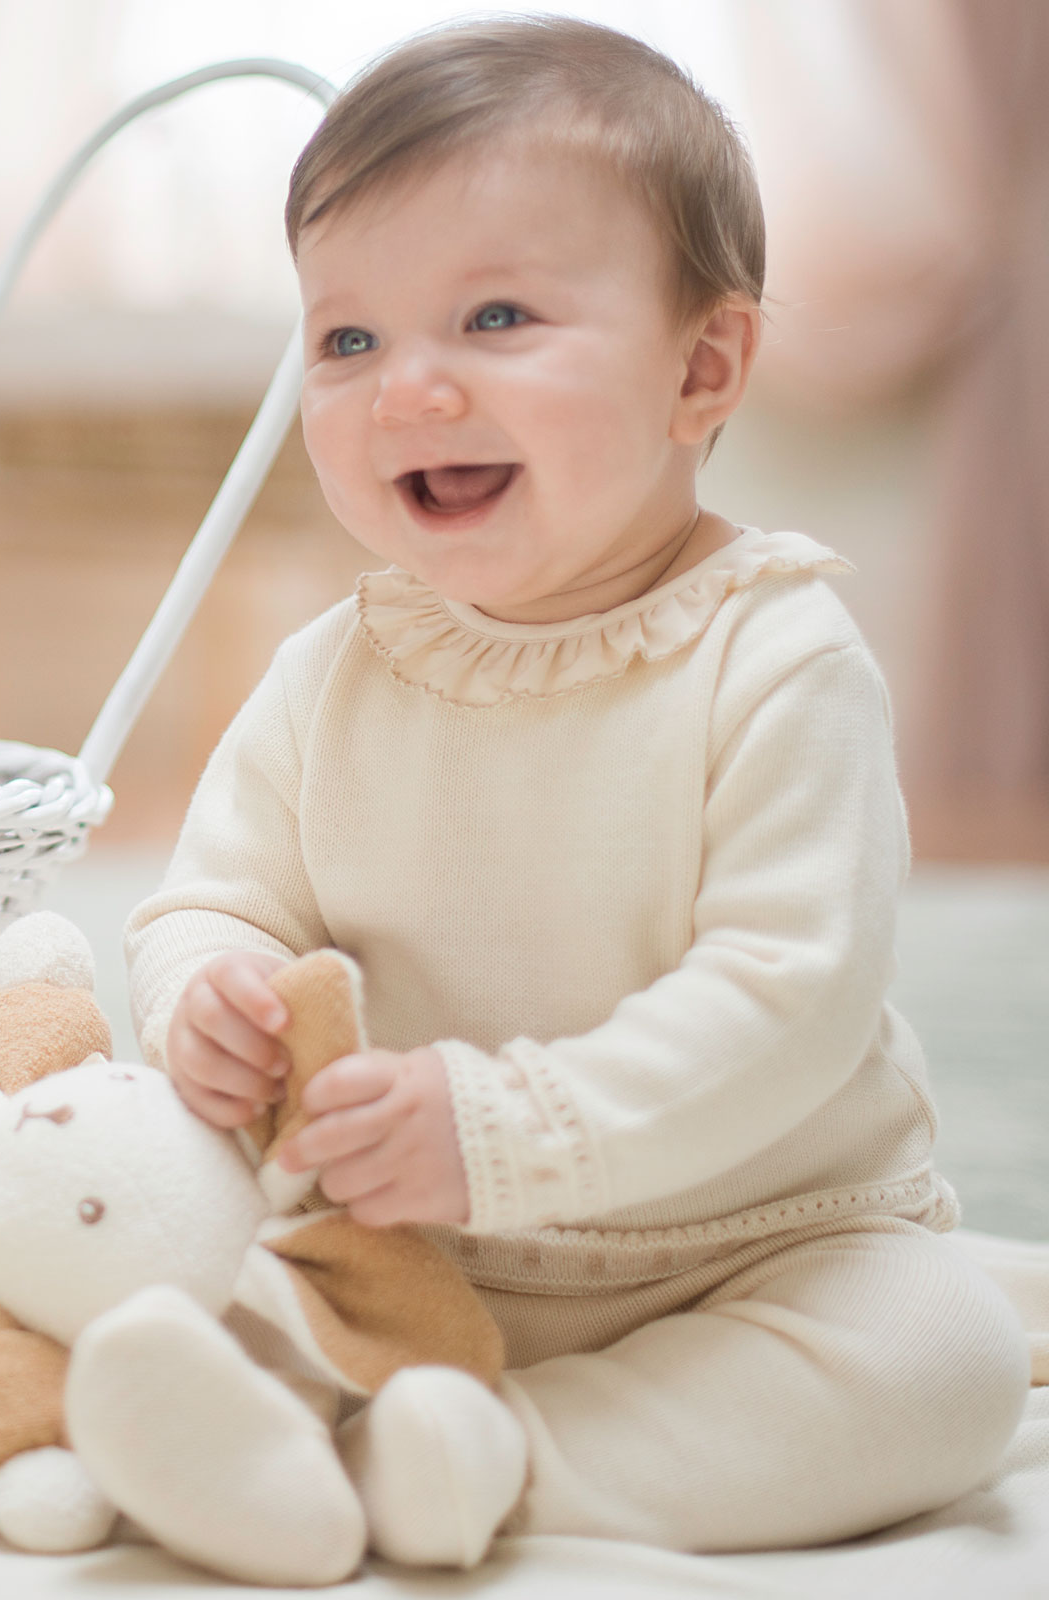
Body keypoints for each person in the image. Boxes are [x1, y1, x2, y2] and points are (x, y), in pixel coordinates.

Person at [119, 15, 1029, 1572]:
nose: (405, 389)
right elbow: (218, 892)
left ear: (703, 364)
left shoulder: (777, 658)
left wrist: (513, 1130)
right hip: (406, 1239)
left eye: (493, 317)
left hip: (753, 1249)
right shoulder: (332, 673)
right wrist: (211, 989)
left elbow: (786, 996)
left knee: (942, 1355)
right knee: (146, 1234)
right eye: (347, 340)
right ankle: (251, 1422)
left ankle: (500, 1458)